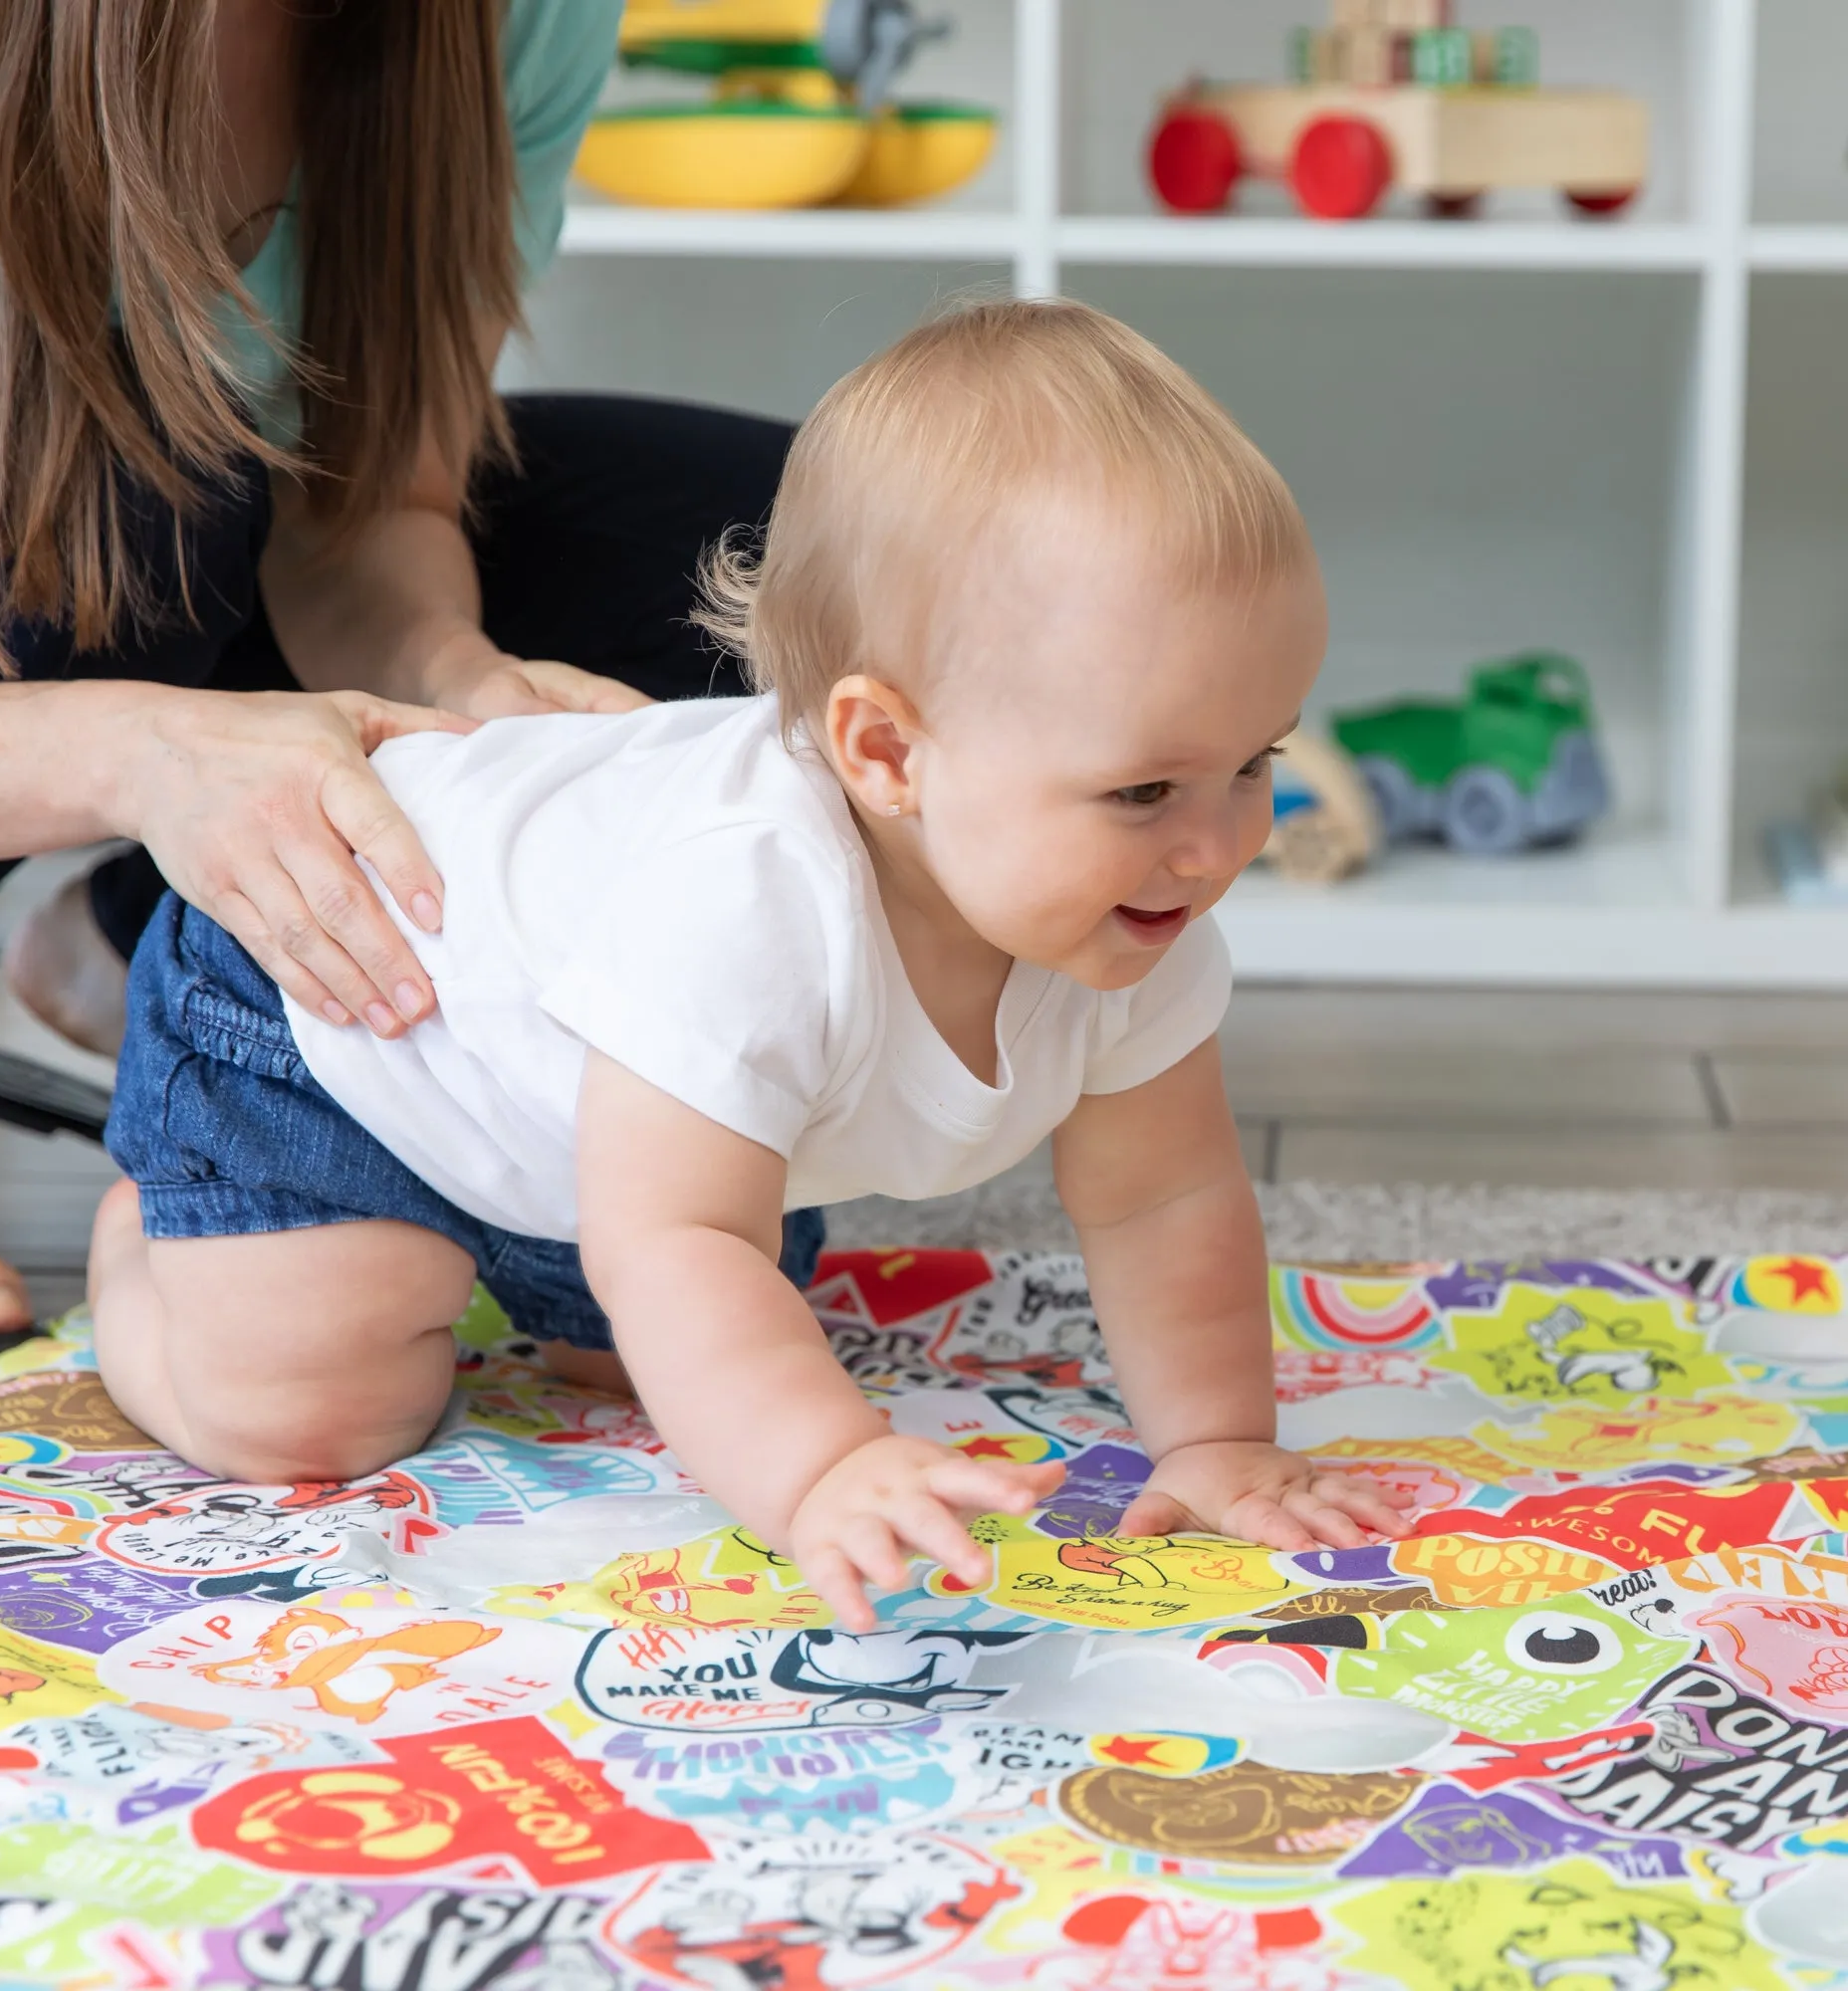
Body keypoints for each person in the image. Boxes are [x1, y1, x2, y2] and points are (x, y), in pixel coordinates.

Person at [93, 301, 1411, 1625]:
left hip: (588, 1112)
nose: (1214, 846)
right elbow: (677, 1238)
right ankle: (145, 1246)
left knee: (651, 1357)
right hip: (344, 1009)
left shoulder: (1129, 908)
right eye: (1143, 790)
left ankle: (506, 1255)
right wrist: (826, 1469)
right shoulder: (749, 911)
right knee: (315, 1414)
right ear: (889, 754)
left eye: (1256, 764)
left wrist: (1218, 1440)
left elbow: (1162, 1200)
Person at [0, 0, 798, 1355]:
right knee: (120, 492)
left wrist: (465, 693)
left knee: (820, 552)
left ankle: (174, 953)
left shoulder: (521, 18)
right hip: (39, 522)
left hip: (193, 535)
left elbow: (370, 501)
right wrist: (141, 756)